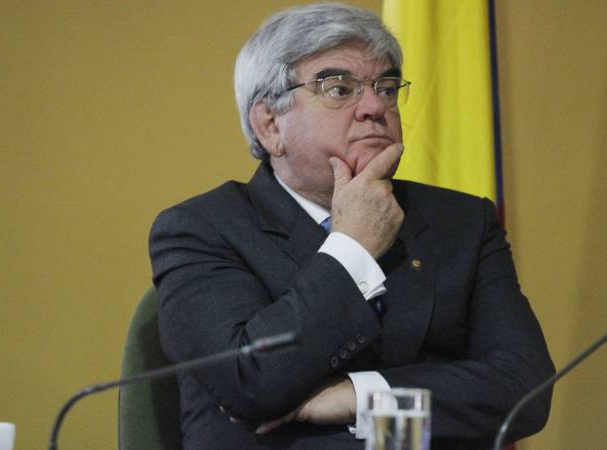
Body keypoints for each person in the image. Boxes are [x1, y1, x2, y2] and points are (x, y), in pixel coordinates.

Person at [149, 3, 554, 449]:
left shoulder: (461, 223)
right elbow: (251, 385)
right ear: (269, 125)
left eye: (387, 87)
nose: (376, 107)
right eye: (339, 89)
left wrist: (358, 398)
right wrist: (353, 247)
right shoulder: (200, 230)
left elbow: (525, 391)